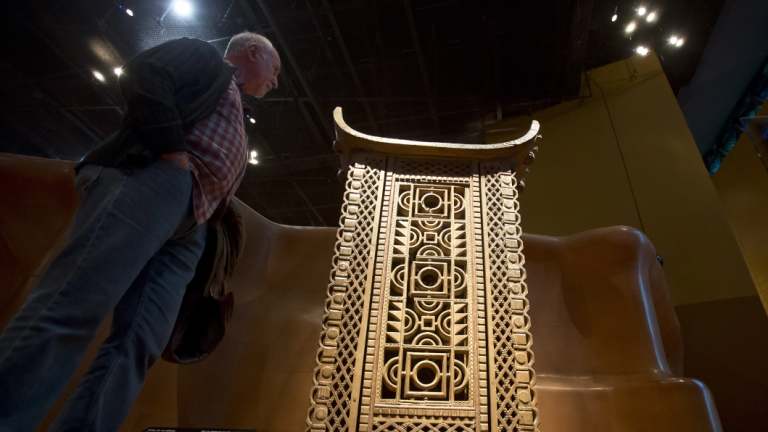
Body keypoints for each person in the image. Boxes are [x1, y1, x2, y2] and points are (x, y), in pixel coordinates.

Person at [0, 32, 280, 431]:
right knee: (72, 305)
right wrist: (172, 153)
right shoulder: (204, 58)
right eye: (276, 69)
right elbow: (143, 72)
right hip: (152, 181)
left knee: (140, 342)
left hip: (191, 219)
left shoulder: (234, 98)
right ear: (253, 52)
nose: (276, 81)